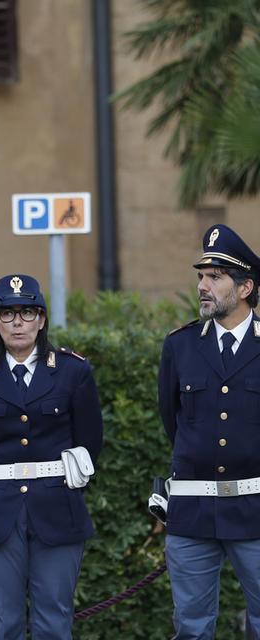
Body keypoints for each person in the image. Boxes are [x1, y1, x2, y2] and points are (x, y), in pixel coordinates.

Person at [0, 274, 103, 640]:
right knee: (4, 621)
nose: (18, 322)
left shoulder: (72, 371)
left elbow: (90, 440)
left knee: (54, 619)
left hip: (57, 505)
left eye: (28, 312)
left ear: (42, 320)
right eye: (8, 313)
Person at [158, 224, 260, 639]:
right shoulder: (180, 345)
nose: (203, 285)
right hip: (192, 513)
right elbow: (173, 419)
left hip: (256, 510)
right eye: (201, 275)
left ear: (245, 287)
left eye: (215, 277)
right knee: (191, 627)